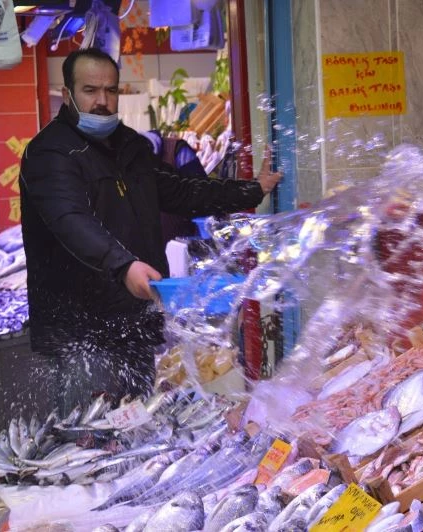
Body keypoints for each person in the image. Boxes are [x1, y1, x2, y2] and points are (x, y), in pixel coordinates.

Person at [19, 48, 280, 415]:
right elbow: (70, 221)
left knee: (135, 432)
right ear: (68, 95)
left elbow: (179, 190)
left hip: (134, 324)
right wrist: (123, 265)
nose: (103, 101)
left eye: (111, 91)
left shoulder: (129, 146)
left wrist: (250, 190)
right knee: (87, 444)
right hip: (82, 336)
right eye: (91, 90)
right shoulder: (50, 154)